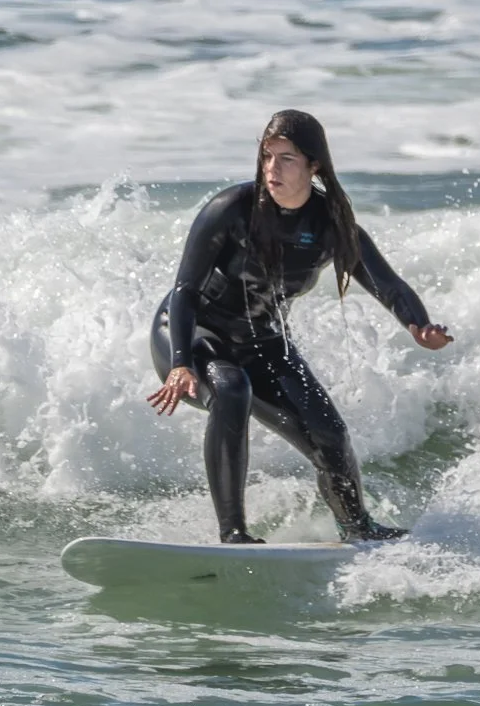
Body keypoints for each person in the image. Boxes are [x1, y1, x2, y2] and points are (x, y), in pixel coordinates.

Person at [147, 110, 453, 544]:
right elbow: (184, 291)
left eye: (286, 158)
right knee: (232, 391)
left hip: (264, 341)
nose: (272, 168)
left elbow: (387, 284)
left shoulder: (330, 225)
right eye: (266, 156)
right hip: (195, 334)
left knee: (329, 434)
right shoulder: (230, 210)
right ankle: (233, 533)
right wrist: (181, 362)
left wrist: (419, 326)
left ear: (314, 166)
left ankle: (357, 529)